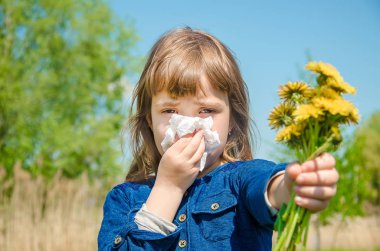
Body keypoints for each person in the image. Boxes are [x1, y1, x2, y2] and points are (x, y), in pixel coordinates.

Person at [98, 27, 338, 250]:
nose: (189, 127)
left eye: (207, 111)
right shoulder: (125, 199)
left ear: (232, 119)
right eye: (170, 111)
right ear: (149, 120)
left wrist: (293, 185)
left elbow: (268, 188)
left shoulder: (240, 179)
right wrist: (168, 188)